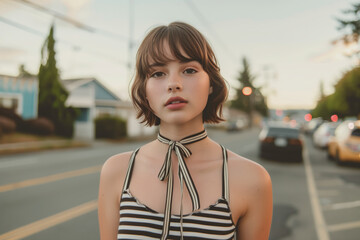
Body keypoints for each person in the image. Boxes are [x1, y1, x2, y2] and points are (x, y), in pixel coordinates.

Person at [98, 21, 272, 240]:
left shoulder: (253, 179)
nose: (173, 84)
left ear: (211, 83)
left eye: (189, 70)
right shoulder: (117, 172)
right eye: (158, 73)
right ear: (144, 90)